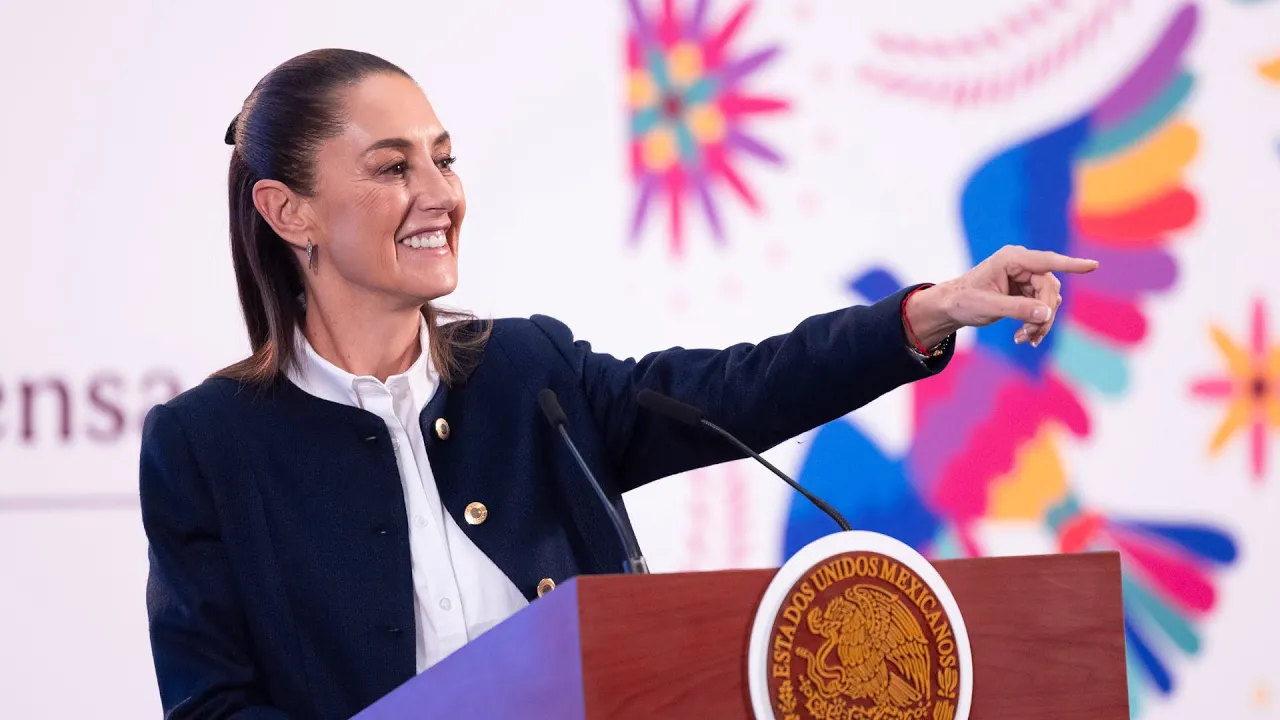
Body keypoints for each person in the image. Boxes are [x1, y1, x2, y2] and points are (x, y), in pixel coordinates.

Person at [139, 48, 1097, 719]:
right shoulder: (206, 445)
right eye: (393, 168)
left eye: (444, 158)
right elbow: (212, 705)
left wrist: (929, 312)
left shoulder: (529, 374)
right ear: (289, 211)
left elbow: (744, 388)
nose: (439, 193)